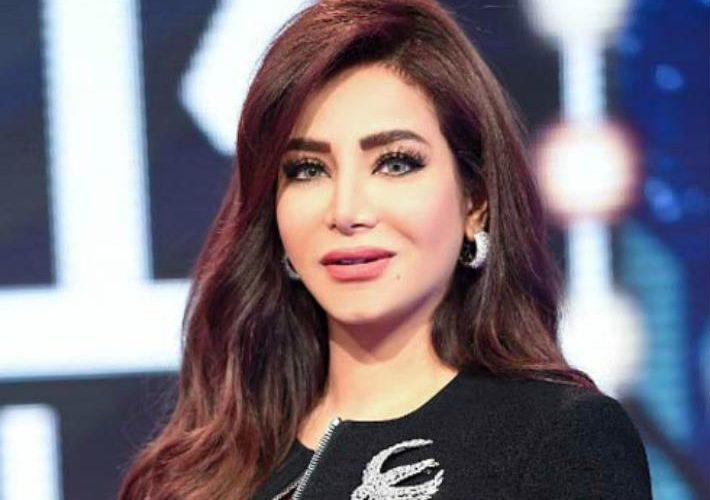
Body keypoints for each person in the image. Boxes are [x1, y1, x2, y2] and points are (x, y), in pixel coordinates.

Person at [119, 0, 652, 498]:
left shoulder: (556, 439)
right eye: (308, 169)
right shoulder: (198, 470)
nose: (347, 209)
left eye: (395, 163)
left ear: (475, 202)